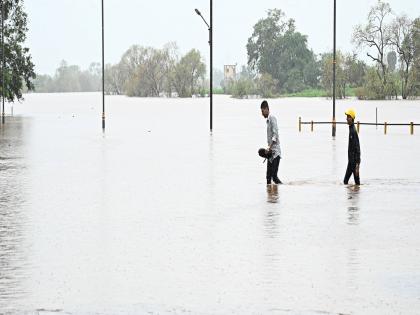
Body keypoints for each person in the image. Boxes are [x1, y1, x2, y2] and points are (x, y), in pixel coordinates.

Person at [260, 100, 282, 185]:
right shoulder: (267, 121)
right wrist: (268, 148)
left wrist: (270, 147)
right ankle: (271, 197)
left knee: (274, 177)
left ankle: (282, 188)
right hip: (270, 153)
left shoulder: (272, 118)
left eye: (262, 111)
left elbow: (275, 134)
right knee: (268, 177)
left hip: (276, 153)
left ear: (266, 109)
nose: (262, 113)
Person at [344, 109, 361, 185]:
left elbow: (357, 147)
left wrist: (357, 164)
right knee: (346, 182)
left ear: (352, 118)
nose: (346, 118)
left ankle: (355, 196)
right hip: (351, 162)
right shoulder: (351, 129)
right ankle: (352, 195)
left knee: (357, 183)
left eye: (348, 116)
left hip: (354, 162)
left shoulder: (353, 131)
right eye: (347, 116)